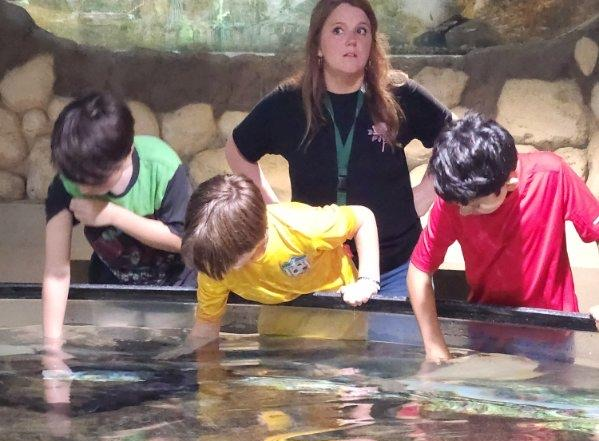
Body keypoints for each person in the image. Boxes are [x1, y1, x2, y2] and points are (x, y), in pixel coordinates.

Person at [225, 0, 451, 297]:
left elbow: (455, 135)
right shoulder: (289, 102)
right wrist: (273, 210)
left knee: (396, 344)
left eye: (362, 30)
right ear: (317, 45)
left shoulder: (398, 93)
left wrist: (424, 193)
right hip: (321, 267)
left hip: (397, 263)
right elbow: (237, 151)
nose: (352, 40)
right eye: (338, 30)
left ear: (372, 41)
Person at [407, 113, 599, 363]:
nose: (464, 212)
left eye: (475, 206)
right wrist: (434, 346)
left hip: (552, 331)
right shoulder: (456, 198)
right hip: (486, 329)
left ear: (510, 183)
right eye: (459, 205)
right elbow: (420, 269)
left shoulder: (551, 174)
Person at [42, 91, 195, 360]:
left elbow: (184, 241)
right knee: (117, 351)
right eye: (75, 178)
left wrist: (112, 214)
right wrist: (52, 350)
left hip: (173, 284)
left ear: (127, 153)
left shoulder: (162, 167)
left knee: (168, 351)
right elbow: (56, 273)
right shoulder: (68, 183)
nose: (82, 187)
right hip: (113, 283)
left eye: (94, 180)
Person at [179, 173, 380, 347]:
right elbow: (206, 326)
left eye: (224, 263)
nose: (213, 271)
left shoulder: (300, 227)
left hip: (334, 313)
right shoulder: (213, 263)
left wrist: (368, 279)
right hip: (278, 320)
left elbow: (363, 218)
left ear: (254, 244)